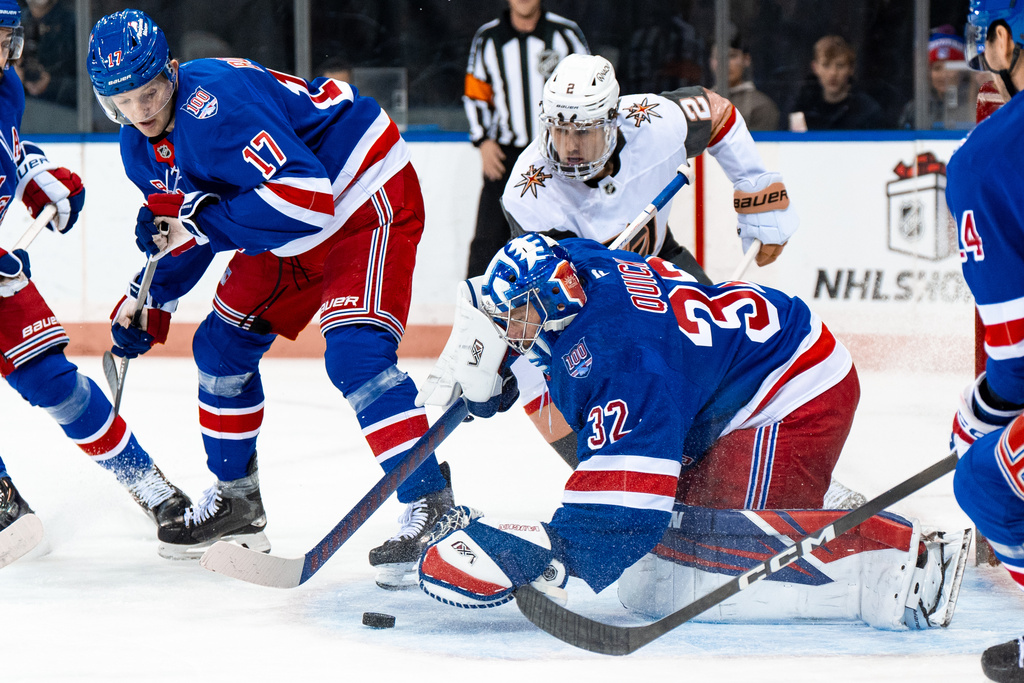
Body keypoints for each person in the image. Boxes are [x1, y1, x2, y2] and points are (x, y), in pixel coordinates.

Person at [414, 233, 970, 630]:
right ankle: (811, 496)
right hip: (738, 375)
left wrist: (551, 552)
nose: (512, 329)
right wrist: (496, 363)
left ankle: (905, 557)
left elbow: (625, 513)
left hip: (797, 393)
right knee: (676, 520)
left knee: (702, 542)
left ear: (554, 304)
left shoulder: (626, 363)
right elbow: (540, 316)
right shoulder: (575, 263)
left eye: (518, 317)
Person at [85, 9, 453, 589]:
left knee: (355, 355)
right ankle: (238, 504)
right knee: (219, 347)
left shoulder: (216, 107)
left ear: (173, 72)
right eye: (123, 103)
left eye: (150, 92)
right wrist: (150, 299)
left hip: (361, 193)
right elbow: (190, 225)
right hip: (291, 224)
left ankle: (433, 507)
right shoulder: (139, 146)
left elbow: (308, 198)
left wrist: (199, 221)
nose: (142, 113)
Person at [499, 53, 798, 468]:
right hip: (592, 303)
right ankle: (609, 471)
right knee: (551, 374)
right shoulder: (529, 192)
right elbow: (555, 299)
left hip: (662, 264)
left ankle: (764, 463)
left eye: (583, 132)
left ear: (612, 120)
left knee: (729, 356)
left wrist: (754, 185)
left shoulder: (654, 123)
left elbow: (718, 113)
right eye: (559, 129)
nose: (568, 147)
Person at [0, 0, 191, 567]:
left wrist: (34, 173)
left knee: (55, 381)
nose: (3, 53)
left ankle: (145, 481)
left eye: (6, 38)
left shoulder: (6, 86)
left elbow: (6, 146)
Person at [944, 2, 1024, 680]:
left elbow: (1019, 358)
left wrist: (985, 410)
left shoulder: (986, 157)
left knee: (983, 476)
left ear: (1004, 39)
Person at [463, 0, 588, 278]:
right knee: (488, 239)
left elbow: (590, 88)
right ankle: (476, 312)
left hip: (560, 153)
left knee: (567, 235)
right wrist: (483, 140)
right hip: (506, 155)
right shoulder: (488, 39)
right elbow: (476, 94)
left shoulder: (565, 34)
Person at [789, 34, 885, 130]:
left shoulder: (868, 111)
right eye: (826, 65)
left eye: (840, 65)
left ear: (851, 69)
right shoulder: (801, 107)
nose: (833, 73)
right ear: (815, 67)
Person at [897, 28, 975, 130]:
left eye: (950, 67)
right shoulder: (914, 109)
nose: (943, 75)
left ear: (962, 71)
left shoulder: (974, 105)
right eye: (937, 68)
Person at [709, 34, 780, 131]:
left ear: (746, 59)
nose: (725, 63)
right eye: (718, 57)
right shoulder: (698, 103)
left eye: (732, 56)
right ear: (711, 62)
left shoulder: (761, 106)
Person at [14, 0, 76, 109]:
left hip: (66, 115)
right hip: (20, 114)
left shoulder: (74, 24)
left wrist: (52, 84)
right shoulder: (11, 22)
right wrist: (11, 79)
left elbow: (90, 87)